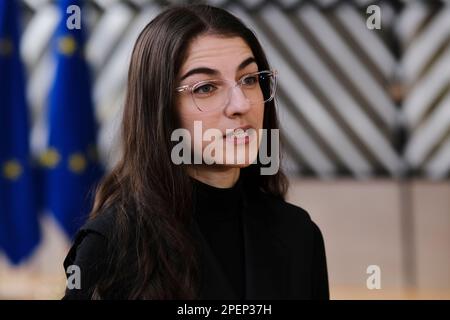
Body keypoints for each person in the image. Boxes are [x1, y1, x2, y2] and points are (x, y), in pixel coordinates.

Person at [62, 4, 329, 300]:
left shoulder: (299, 234)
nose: (240, 104)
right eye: (205, 88)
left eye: (250, 79)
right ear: (161, 110)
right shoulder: (109, 247)